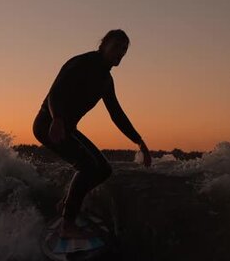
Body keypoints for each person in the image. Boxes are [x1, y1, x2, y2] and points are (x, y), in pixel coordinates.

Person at [33, 29, 152, 239]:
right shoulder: (80, 63)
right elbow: (55, 92)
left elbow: (116, 113)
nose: (121, 52)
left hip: (68, 129)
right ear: (104, 44)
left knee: (104, 169)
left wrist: (139, 141)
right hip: (48, 125)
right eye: (117, 46)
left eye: (124, 49)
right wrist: (57, 118)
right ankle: (67, 225)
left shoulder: (106, 81)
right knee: (87, 166)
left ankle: (66, 203)